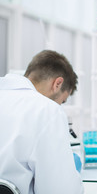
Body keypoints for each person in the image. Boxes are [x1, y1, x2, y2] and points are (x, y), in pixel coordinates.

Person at [0, 50, 84, 194]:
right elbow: (61, 191)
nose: (59, 106)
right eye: (62, 101)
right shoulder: (47, 110)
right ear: (57, 84)